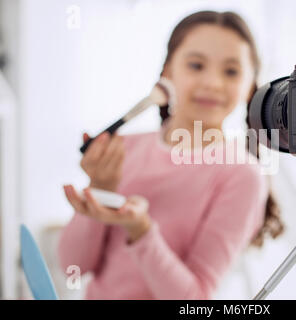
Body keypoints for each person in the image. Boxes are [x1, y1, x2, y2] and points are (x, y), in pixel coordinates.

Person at [58, 10, 284, 300]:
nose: (212, 83)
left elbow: (194, 299)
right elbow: (73, 266)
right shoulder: (123, 150)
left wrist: (140, 229)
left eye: (231, 71)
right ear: (167, 73)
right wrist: (100, 189)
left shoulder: (241, 175)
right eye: (196, 65)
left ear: (250, 86)